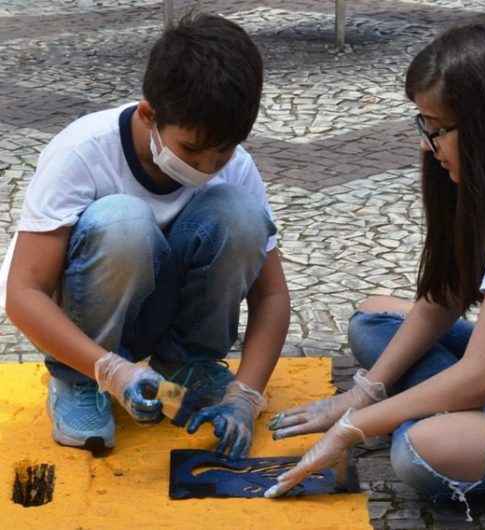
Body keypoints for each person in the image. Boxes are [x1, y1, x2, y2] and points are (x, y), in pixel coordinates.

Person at [266, 13, 485, 515]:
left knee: (420, 453)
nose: (425, 146)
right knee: (375, 321)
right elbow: (446, 296)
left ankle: (444, 421)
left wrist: (356, 426)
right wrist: (363, 396)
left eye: (437, 129)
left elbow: (482, 379)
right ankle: (441, 413)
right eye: (422, 125)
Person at [2, 13, 290, 459]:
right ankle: (78, 383)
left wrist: (245, 396)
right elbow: (23, 293)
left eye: (224, 150)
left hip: (167, 313)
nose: (207, 166)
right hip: (90, 333)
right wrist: (108, 370)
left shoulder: (235, 168)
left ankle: (188, 365)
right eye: (192, 149)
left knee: (241, 214)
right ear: (148, 114)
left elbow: (272, 297)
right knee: (123, 223)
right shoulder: (82, 152)